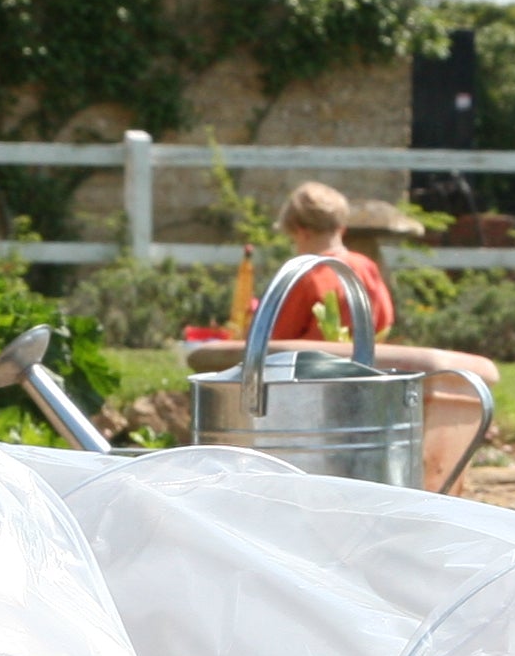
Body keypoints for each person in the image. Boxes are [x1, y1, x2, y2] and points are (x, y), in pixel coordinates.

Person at [198, 181, 498, 485]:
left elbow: (275, 343)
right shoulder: (364, 267)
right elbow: (383, 320)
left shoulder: (308, 276)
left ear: (299, 230)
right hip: (366, 388)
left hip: (306, 396)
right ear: (341, 227)